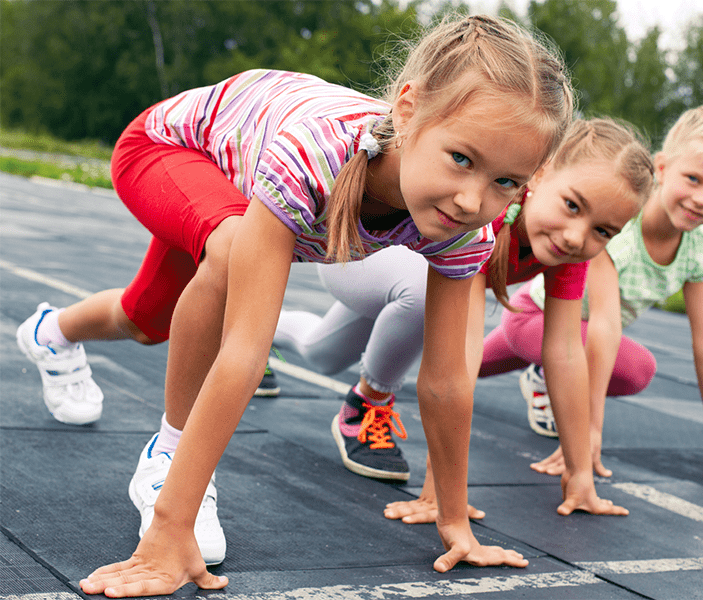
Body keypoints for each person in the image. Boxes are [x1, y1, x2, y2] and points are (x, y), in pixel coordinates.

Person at [16, 14, 576, 597]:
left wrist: (453, 518)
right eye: (461, 158)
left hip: (230, 188)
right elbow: (244, 351)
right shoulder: (317, 157)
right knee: (229, 253)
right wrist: (171, 527)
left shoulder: (465, 230)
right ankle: (168, 465)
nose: (471, 199)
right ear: (408, 111)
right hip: (168, 150)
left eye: (506, 182)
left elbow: (445, 380)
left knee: (146, 317)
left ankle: (51, 332)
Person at [274, 118, 654, 521]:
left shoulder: (568, 250)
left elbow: (564, 353)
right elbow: (459, 360)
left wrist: (580, 476)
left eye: (603, 231)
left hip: (396, 281)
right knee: (427, 299)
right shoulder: (484, 218)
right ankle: (367, 402)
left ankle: (272, 334)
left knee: (321, 352)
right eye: (572, 206)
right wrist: (438, 494)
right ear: (540, 176)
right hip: (354, 255)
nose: (578, 236)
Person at [508, 105, 703, 479]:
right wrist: (587, 429)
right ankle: (546, 374)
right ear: (661, 168)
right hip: (538, 318)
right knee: (631, 365)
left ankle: (539, 373)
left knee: (472, 362)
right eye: (692, 179)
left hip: (572, 336)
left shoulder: (699, 249)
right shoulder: (618, 225)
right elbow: (605, 325)